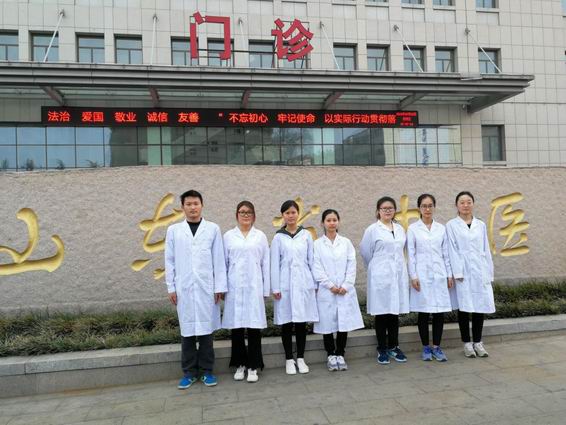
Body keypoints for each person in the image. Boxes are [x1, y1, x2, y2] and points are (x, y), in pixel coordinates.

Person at [164, 190, 227, 389]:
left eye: (196, 203)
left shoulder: (213, 229)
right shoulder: (174, 231)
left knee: (206, 332)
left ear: (202, 205)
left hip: (206, 288)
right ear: (182, 207)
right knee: (188, 332)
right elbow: (169, 261)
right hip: (184, 288)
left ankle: (207, 371)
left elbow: (219, 260)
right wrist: (171, 287)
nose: (192, 207)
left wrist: (219, 287)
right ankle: (189, 372)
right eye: (189, 204)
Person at [222, 201, 270, 383]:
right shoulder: (228, 236)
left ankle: (253, 365)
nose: (245, 215)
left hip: (254, 286)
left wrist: (266, 289)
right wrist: (222, 288)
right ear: (236, 215)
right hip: (234, 286)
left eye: (249, 212)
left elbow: (266, 263)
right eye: (242, 212)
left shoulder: (260, 236)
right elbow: (223, 264)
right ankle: (240, 364)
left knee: (254, 327)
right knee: (237, 328)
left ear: (254, 216)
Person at [271, 200, 319, 375]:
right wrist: (275, 287)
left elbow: (312, 260)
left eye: (293, 212)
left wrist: (314, 283)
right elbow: (274, 264)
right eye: (287, 213)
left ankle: (300, 358)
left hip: (303, 282)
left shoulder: (305, 235)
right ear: (283, 215)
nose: (290, 216)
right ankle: (289, 359)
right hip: (285, 284)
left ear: (298, 214)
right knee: (286, 323)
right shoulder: (278, 237)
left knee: (300, 322)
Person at [313, 209, 364, 372]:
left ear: (338, 222)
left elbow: (351, 264)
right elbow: (317, 267)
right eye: (328, 220)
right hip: (327, 290)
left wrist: (346, 285)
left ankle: (340, 353)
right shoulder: (317, 245)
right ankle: (330, 354)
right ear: (322, 223)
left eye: (334, 220)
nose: (332, 223)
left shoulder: (346, 243)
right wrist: (330, 285)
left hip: (344, 290)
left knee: (343, 322)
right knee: (327, 323)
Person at [360, 196, 410, 365]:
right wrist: (377, 268)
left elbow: (401, 251)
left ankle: (394, 347)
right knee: (381, 313)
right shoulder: (372, 230)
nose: (387, 211)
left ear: (394, 211)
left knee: (394, 313)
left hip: (397, 275)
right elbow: (365, 252)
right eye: (384, 208)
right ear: (378, 211)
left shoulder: (400, 229)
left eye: (390, 208)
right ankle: (382, 349)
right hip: (380, 276)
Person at [446, 191, 495, 358]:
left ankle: (478, 342)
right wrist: (457, 272)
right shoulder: (451, 225)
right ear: (456, 205)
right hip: (463, 271)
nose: (465, 205)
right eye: (462, 202)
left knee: (479, 306)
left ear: (473, 204)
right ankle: (467, 343)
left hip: (479, 269)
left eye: (468, 202)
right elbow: (451, 250)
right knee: (464, 308)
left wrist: (488, 272)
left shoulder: (480, 225)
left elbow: (485, 249)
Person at [407, 194, 454, 362]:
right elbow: (411, 254)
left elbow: (446, 253)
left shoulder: (441, 228)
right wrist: (413, 276)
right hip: (421, 275)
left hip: (439, 274)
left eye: (430, 206)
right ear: (419, 208)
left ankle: (437, 347)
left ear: (434, 207)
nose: (427, 209)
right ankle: (426, 347)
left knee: (439, 313)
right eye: (424, 206)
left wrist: (449, 274)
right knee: (424, 312)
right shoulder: (413, 229)